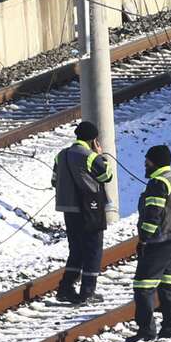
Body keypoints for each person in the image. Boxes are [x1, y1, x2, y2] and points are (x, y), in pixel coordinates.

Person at [51, 121, 113, 304]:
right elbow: (106, 176)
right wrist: (101, 156)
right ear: (94, 140)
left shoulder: (60, 155)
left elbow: (54, 181)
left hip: (68, 210)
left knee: (76, 250)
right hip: (89, 208)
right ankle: (87, 291)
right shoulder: (91, 156)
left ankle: (65, 289)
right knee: (93, 249)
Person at [131, 144, 171, 342]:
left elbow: (153, 214)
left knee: (142, 285)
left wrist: (144, 239)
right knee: (167, 283)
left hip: (160, 240)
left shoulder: (158, 183)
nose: (145, 166)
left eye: (147, 162)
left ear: (154, 162)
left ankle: (146, 331)